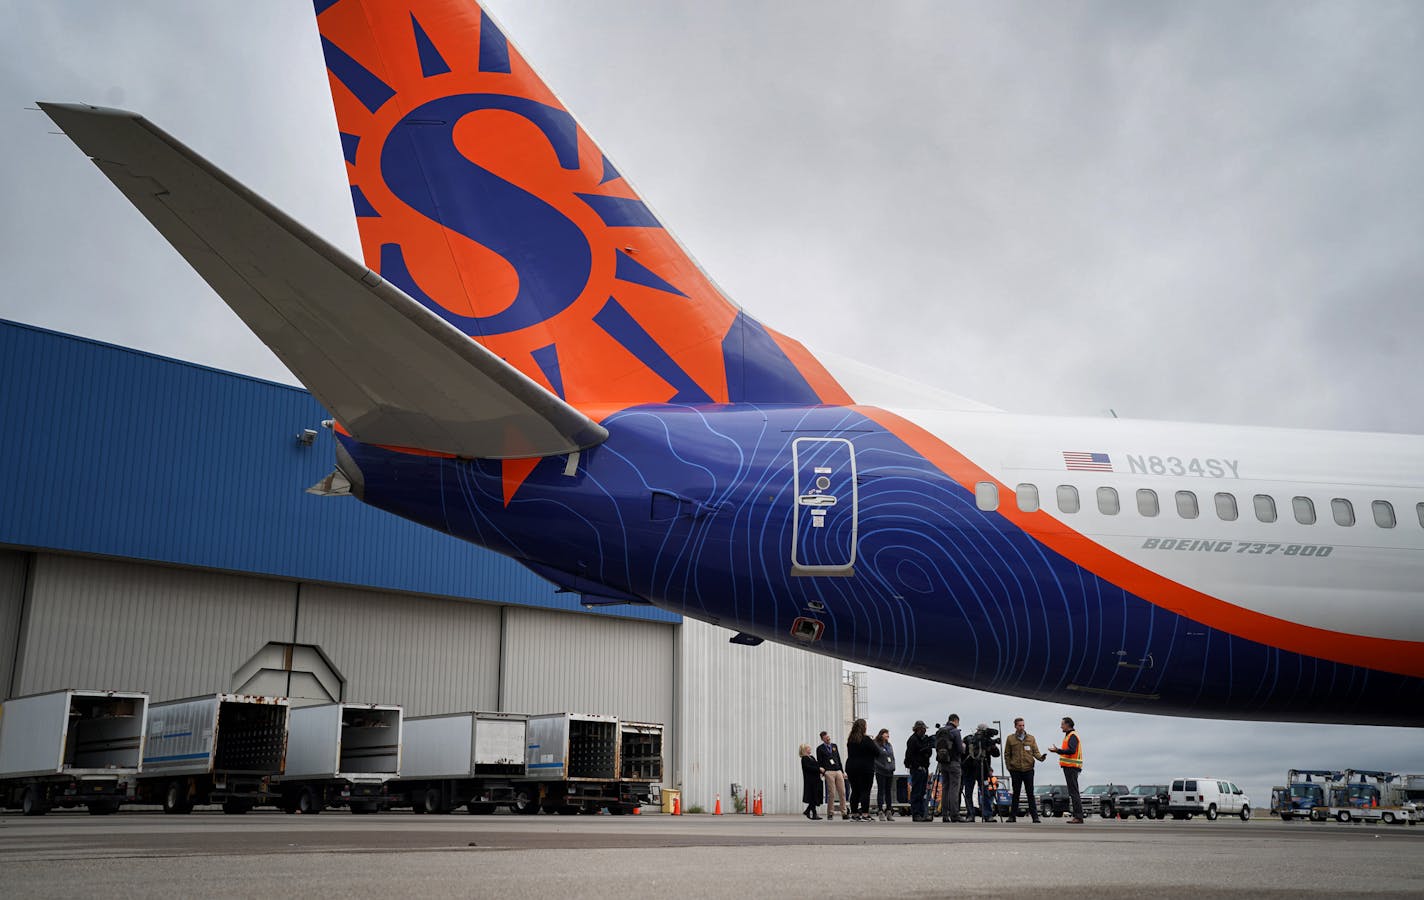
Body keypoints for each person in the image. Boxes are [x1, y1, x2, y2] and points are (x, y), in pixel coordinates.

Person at [1003, 716, 1046, 823]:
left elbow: (1035, 751)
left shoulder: (1031, 738)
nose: (1021, 727)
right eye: (1019, 725)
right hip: (1016, 770)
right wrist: (1009, 767)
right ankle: (1012, 816)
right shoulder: (1010, 738)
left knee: (1030, 793)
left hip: (1028, 769)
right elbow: (1007, 754)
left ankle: (1035, 817)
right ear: (1015, 726)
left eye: (1023, 725)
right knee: (1016, 793)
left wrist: (1041, 758)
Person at [1047, 716, 1084, 823]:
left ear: (1068, 725)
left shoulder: (1072, 736)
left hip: (1071, 767)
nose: (1061, 726)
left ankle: (1078, 816)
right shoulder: (1069, 735)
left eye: (1062, 724)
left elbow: (1071, 750)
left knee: (1074, 792)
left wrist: (1058, 750)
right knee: (1073, 792)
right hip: (1070, 767)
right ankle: (1078, 816)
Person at [962, 723, 1001, 822]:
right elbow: (997, 754)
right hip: (977, 770)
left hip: (974, 770)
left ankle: (972, 815)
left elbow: (996, 754)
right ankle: (985, 815)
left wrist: (991, 745)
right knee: (984, 792)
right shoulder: (973, 740)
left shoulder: (975, 740)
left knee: (972, 793)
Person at [844, 718, 878, 821]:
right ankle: (865, 814)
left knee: (855, 791)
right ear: (864, 727)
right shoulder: (867, 740)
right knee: (865, 791)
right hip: (865, 768)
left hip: (851, 767)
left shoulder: (850, 740)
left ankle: (854, 814)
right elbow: (877, 752)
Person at [934, 714, 965, 822]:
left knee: (945, 789)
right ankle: (955, 815)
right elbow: (960, 749)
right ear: (956, 721)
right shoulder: (956, 732)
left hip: (943, 763)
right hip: (954, 762)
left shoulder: (940, 731)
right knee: (954, 789)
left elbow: (936, 746)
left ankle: (945, 815)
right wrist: (963, 747)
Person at [903, 720, 934, 822]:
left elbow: (928, 753)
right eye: (923, 729)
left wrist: (927, 749)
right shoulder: (913, 740)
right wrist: (917, 766)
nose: (924, 731)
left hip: (924, 768)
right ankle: (916, 814)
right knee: (916, 792)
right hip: (917, 769)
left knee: (922, 793)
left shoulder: (923, 740)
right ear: (918, 729)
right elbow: (909, 756)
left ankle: (922, 813)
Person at [816, 730, 847, 820]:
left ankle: (844, 812)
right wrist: (823, 772)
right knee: (832, 793)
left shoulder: (834, 746)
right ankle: (830, 812)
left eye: (828, 737)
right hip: (829, 772)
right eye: (826, 738)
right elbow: (820, 761)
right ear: (822, 739)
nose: (828, 739)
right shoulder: (820, 748)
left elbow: (838, 758)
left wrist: (842, 771)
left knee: (842, 792)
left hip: (837, 771)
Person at [873, 728, 896, 820]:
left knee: (888, 792)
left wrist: (893, 766)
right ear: (881, 734)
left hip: (890, 771)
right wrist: (883, 767)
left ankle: (889, 811)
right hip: (880, 771)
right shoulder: (876, 745)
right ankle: (880, 811)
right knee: (881, 791)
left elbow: (892, 757)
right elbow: (874, 759)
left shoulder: (889, 745)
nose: (887, 735)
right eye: (886, 733)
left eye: (888, 734)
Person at [799, 744, 823, 819]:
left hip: (816, 779)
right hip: (810, 781)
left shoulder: (812, 757)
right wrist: (819, 770)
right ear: (805, 750)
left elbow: (816, 765)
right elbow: (808, 768)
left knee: (815, 796)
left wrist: (820, 769)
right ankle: (814, 813)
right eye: (809, 748)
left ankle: (807, 811)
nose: (810, 749)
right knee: (813, 797)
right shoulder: (804, 759)